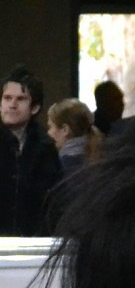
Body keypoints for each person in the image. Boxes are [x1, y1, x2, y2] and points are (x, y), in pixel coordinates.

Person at [0, 66, 62, 235]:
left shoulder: (46, 148)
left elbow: (54, 202)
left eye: (20, 99)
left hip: (33, 244)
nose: (12, 105)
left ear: (34, 107)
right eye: (7, 98)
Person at [47, 98, 102, 176]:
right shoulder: (101, 155)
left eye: (50, 127)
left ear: (65, 130)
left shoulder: (63, 165)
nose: (48, 133)